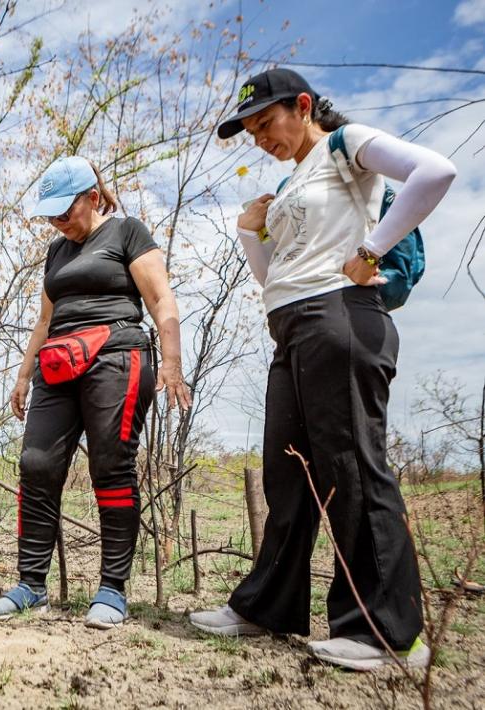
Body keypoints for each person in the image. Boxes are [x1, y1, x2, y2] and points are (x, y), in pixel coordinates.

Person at [189, 68, 457, 671]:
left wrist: (371, 250)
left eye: (266, 123)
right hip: (291, 325)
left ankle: (386, 634)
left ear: (303, 106)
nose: (260, 138)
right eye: (251, 131)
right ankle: (268, 608)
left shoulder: (346, 144)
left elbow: (435, 172)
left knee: (352, 465)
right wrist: (251, 232)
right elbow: (272, 277)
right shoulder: (292, 185)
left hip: (340, 317)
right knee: (289, 472)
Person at [0, 156, 191, 628]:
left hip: (117, 356)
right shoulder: (57, 252)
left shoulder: (127, 233)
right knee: (36, 464)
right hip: (57, 365)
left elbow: (160, 297)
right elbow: (44, 319)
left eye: (64, 211)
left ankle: (112, 589)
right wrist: (21, 375)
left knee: (110, 464)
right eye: (50, 214)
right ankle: (31, 585)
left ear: (93, 197)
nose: (57, 221)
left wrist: (172, 361)